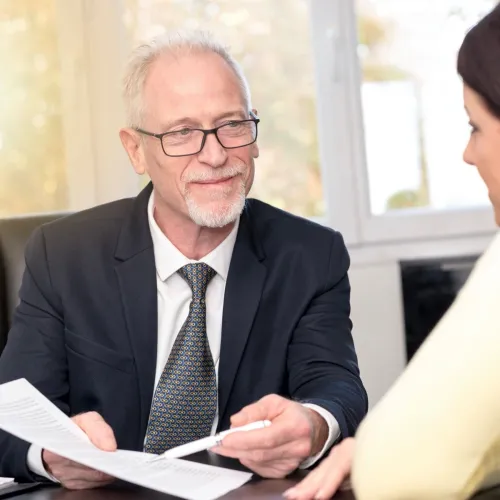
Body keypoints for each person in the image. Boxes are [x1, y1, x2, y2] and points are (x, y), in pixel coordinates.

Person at [0, 32, 368, 488]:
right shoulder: (63, 255)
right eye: (182, 133)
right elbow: (9, 417)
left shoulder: (311, 255)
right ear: (136, 150)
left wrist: (312, 426)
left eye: (232, 125)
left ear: (254, 135)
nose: (214, 156)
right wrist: (51, 454)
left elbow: (337, 388)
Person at [285, 4, 500, 499]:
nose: (468, 154)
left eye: (475, 127)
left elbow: (394, 474)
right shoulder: (74, 260)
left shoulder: (310, 252)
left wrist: (371, 444)